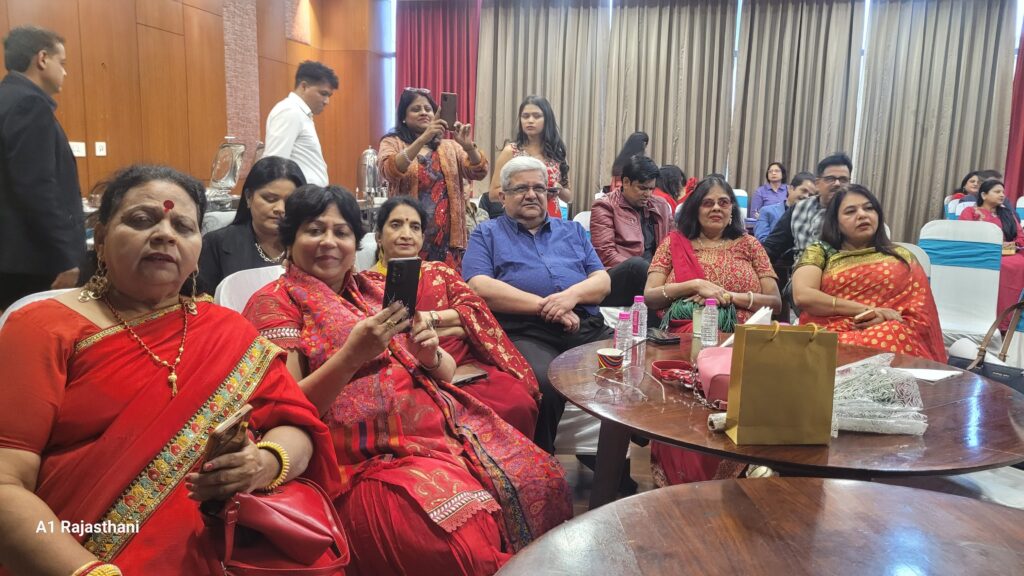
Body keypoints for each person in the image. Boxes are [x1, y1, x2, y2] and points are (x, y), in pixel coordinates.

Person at [0, 165, 341, 576]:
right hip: (75, 556)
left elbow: (297, 426)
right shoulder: (43, 328)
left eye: (183, 226)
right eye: (141, 219)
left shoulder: (228, 330)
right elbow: (6, 482)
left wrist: (264, 462)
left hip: (223, 552)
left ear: (198, 248)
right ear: (102, 237)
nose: (165, 234)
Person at [243, 184, 571, 575]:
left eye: (341, 232)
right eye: (314, 230)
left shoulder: (375, 290)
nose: (329, 242)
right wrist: (351, 357)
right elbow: (286, 407)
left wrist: (429, 354)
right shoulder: (275, 303)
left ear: (355, 243)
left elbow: (445, 371)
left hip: (443, 430)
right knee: (458, 549)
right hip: (363, 459)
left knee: (542, 480)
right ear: (290, 239)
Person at [463, 156, 612, 455]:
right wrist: (548, 307)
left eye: (539, 188)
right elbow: (479, 286)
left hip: (585, 327)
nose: (531, 195)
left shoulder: (572, 231)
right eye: (521, 189)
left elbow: (602, 282)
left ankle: (610, 461)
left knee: (634, 367)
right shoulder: (487, 233)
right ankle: (542, 464)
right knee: (545, 384)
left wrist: (570, 297)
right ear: (503, 196)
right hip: (527, 332)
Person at [369, 196, 540, 437]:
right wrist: (456, 325)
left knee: (518, 402)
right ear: (379, 236)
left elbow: (476, 311)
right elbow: (383, 338)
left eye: (415, 227)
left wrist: (431, 319)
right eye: (396, 225)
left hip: (464, 366)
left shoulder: (440, 271)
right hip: (409, 374)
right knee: (437, 419)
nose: (406, 234)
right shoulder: (366, 283)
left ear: (422, 237)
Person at [793, 184, 945, 361]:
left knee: (892, 334)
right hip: (830, 334)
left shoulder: (902, 257)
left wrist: (883, 319)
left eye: (868, 208)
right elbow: (803, 295)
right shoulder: (821, 251)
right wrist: (867, 311)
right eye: (850, 211)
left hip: (888, 333)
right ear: (836, 222)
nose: (862, 215)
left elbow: (920, 316)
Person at [0, 26, 84, 309]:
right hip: (33, 261)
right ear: (42, 58)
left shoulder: (6, 99)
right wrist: (66, 256)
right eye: (62, 63)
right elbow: (36, 187)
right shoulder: (29, 105)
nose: (65, 72)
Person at [644, 175, 781, 333]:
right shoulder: (673, 243)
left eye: (723, 203)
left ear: (731, 209)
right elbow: (650, 296)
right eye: (707, 203)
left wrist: (727, 296)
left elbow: (775, 303)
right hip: (684, 337)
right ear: (695, 210)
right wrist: (695, 285)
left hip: (743, 338)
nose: (716, 208)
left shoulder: (750, 244)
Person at [378, 88, 488, 272]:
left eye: (428, 109)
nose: (423, 112)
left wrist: (469, 147)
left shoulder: (450, 147)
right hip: (408, 237)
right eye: (416, 109)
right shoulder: (392, 142)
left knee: (446, 287)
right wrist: (423, 139)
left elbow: (479, 172)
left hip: (448, 241)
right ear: (403, 117)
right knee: (409, 287)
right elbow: (390, 170)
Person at [197, 156, 305, 294]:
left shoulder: (308, 245)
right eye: (270, 199)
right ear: (248, 197)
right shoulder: (216, 243)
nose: (280, 208)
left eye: (289, 202)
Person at [590, 155, 673, 305]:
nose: (648, 194)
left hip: (654, 276)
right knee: (637, 265)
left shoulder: (660, 206)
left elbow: (674, 244)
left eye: (651, 189)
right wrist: (654, 273)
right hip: (617, 276)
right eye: (642, 188)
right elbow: (605, 255)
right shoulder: (605, 206)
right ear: (626, 182)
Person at [488, 95, 572, 219]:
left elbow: (568, 196)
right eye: (525, 116)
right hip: (520, 218)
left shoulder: (556, 153)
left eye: (536, 116)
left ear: (547, 119)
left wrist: (558, 190)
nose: (530, 120)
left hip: (552, 219)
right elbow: (493, 194)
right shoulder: (510, 152)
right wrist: (523, 190)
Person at [763, 152, 853, 266]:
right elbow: (772, 247)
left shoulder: (858, 212)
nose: (837, 184)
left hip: (844, 273)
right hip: (802, 272)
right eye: (830, 179)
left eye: (843, 179)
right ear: (818, 184)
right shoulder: (798, 209)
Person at [959, 180, 1024, 330]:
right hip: (981, 254)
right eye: (997, 191)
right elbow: (964, 236)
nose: (1002, 195)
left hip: (1008, 254)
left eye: (1003, 192)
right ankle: (995, 320)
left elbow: (1020, 237)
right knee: (1003, 266)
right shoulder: (970, 212)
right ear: (984, 195)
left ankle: (1011, 320)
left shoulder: (1007, 214)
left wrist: (1009, 246)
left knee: (1019, 264)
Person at [264, 60, 338, 186]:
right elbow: (274, 165)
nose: (326, 101)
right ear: (304, 87)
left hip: (309, 195)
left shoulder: (301, 113)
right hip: (299, 196)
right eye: (323, 94)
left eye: (329, 96)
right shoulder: (289, 111)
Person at [754, 171, 815, 242]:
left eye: (811, 195)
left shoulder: (813, 217)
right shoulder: (767, 211)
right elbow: (762, 242)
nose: (807, 196)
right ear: (790, 189)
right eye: (804, 191)